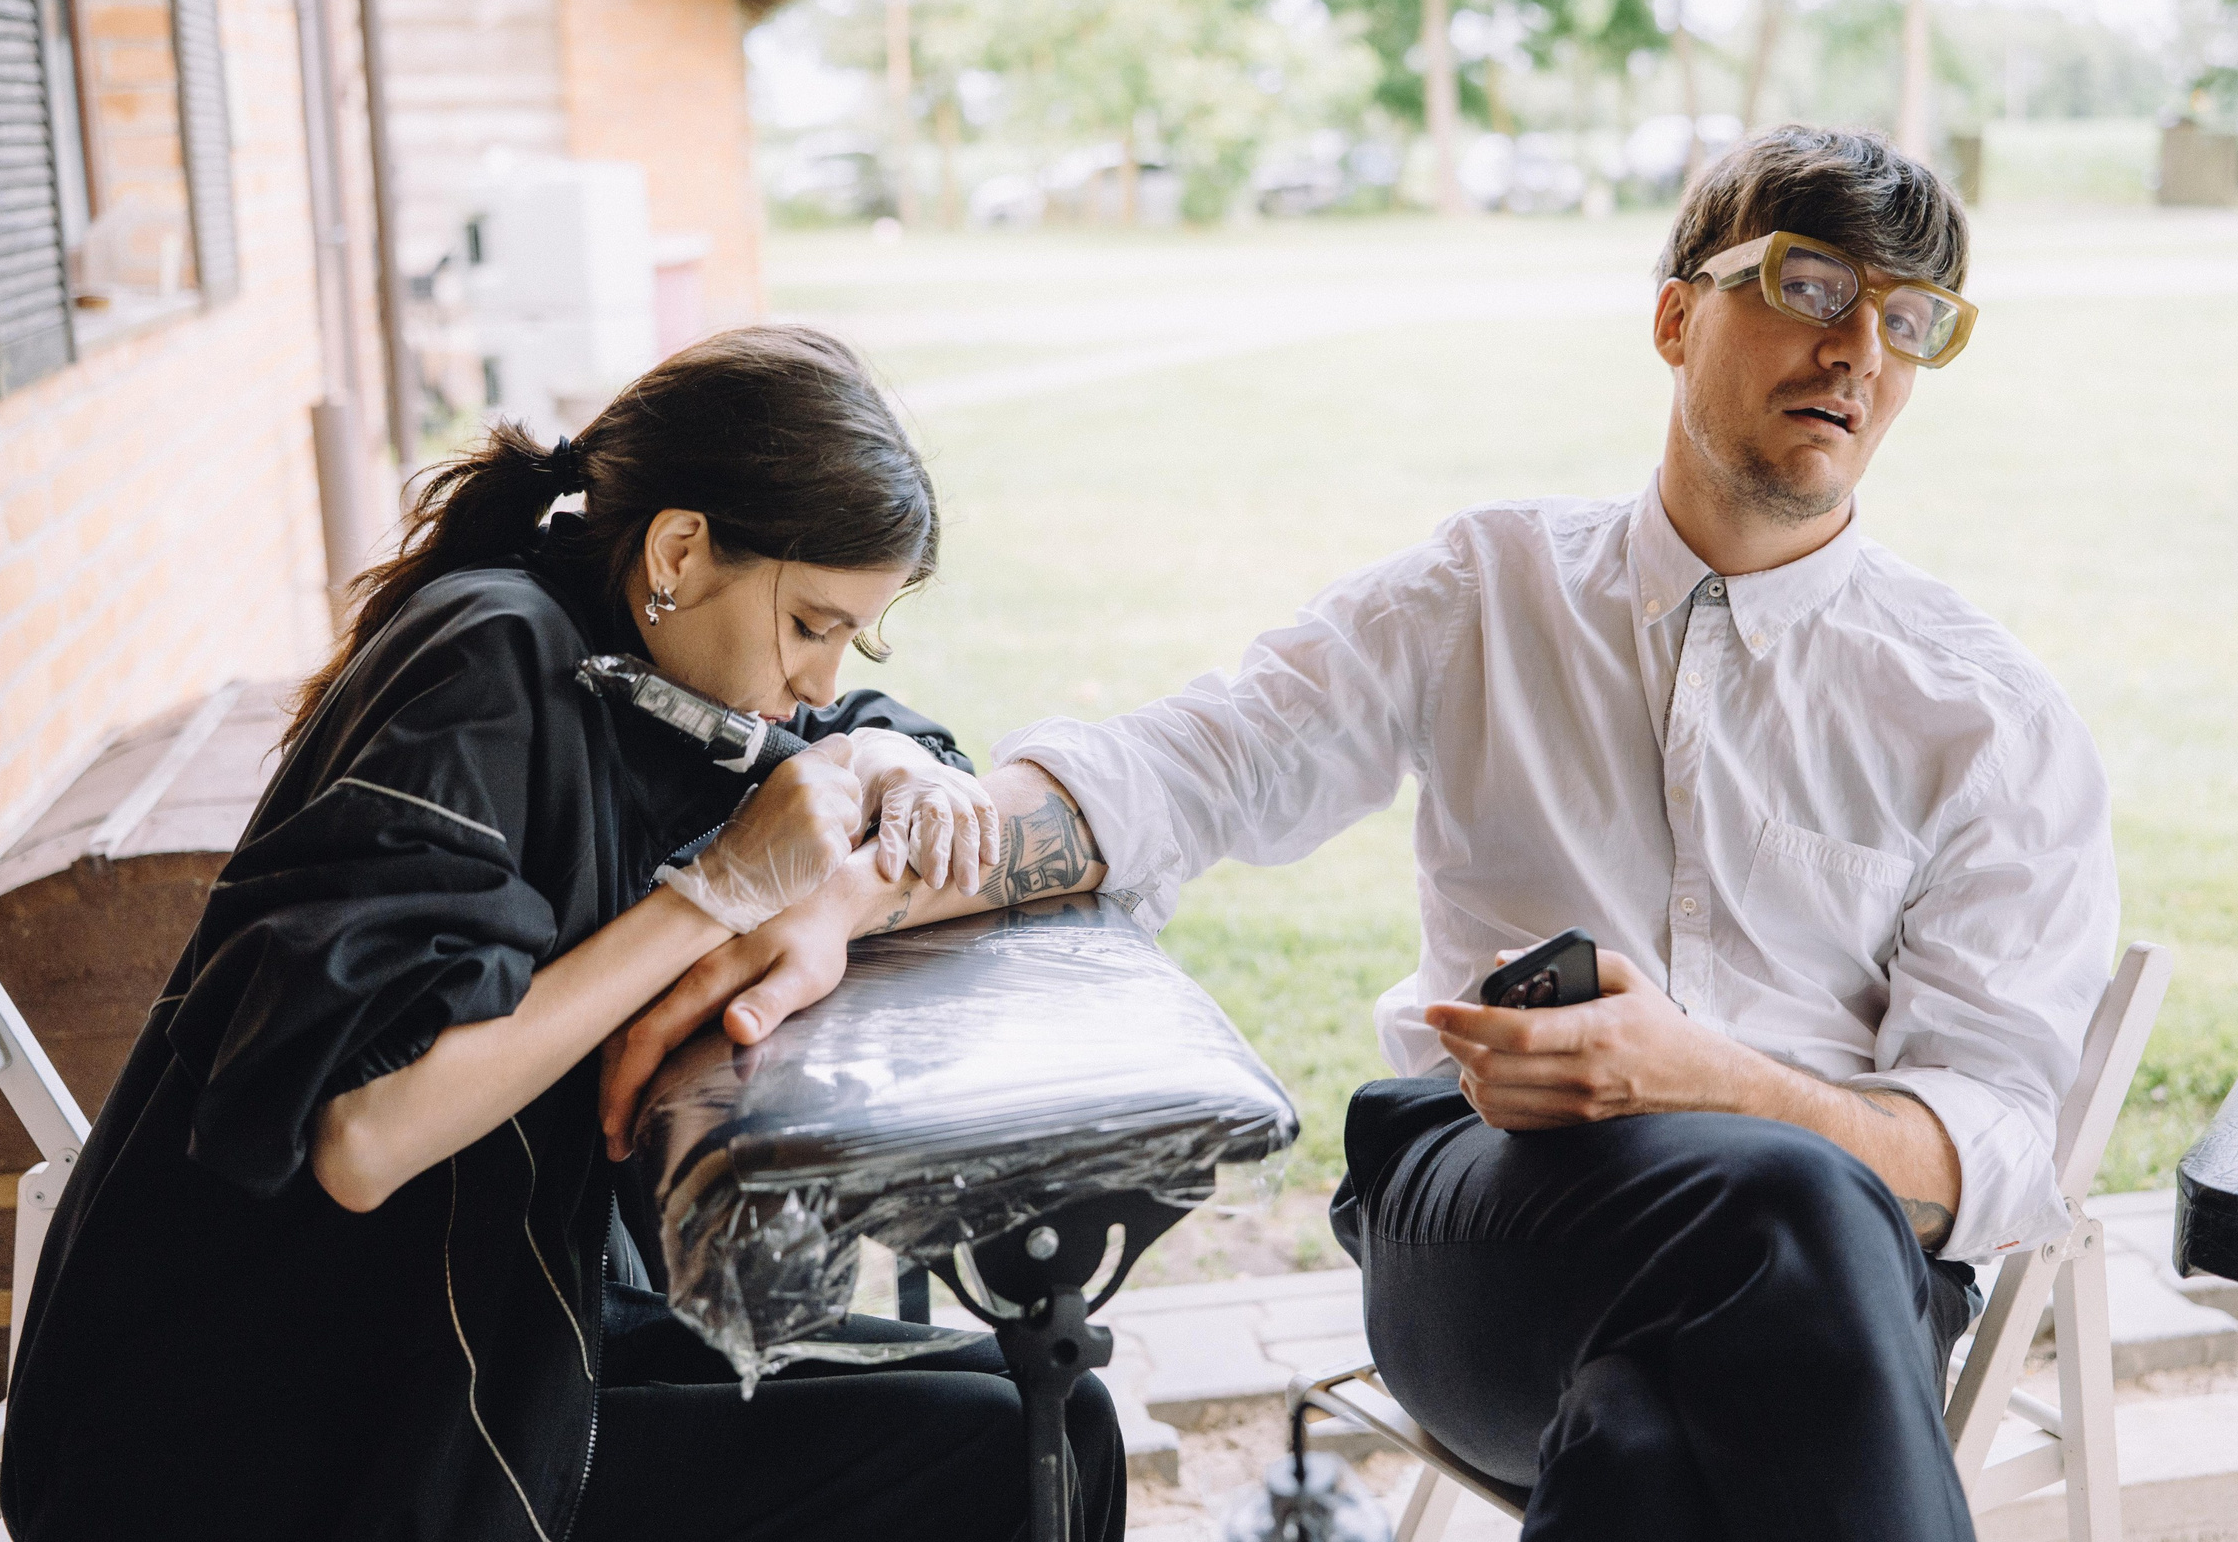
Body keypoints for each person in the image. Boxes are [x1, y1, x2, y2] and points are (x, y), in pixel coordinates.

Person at [612, 128, 2119, 1541]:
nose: (1858, 349)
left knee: (1655, 1437)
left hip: (1843, 1285)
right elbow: (1186, 767)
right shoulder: (1491, 583)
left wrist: (1708, 1077)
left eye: (1912, 320)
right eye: (1810, 287)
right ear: (1675, 318)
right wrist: (860, 891)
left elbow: (1987, 1148)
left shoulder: (1987, 714)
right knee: (1790, 1211)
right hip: (1497, 1229)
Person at [0, 328, 1128, 1542]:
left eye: (857, 633)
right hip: (285, 1435)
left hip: (487, 1332)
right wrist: (717, 892)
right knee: (1016, 1448)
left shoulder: (620, 654)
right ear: (681, 549)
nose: (816, 675)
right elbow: (364, 1133)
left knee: (1057, 1412)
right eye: (810, 621)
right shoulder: (485, 667)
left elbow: (839, 728)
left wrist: (895, 757)